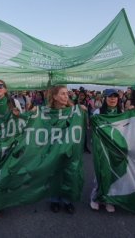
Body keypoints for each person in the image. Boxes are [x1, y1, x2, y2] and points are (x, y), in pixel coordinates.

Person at [0, 80, 21, 219]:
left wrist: (17, 115)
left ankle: (5, 199)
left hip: (11, 140)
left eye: (0, 86)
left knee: (8, 171)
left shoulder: (13, 102)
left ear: (5, 89)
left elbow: (22, 119)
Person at [48, 85, 81, 215]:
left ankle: (68, 200)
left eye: (67, 94)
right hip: (53, 148)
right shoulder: (47, 112)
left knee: (69, 174)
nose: (66, 96)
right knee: (54, 174)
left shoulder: (74, 111)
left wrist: (81, 110)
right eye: (62, 94)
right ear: (55, 97)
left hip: (69, 149)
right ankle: (54, 200)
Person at [90, 88, 120, 213]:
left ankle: (109, 200)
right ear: (104, 98)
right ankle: (95, 198)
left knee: (114, 174)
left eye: (115, 97)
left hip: (116, 147)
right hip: (101, 146)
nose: (113, 99)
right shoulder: (98, 112)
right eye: (110, 97)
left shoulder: (122, 112)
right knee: (100, 173)